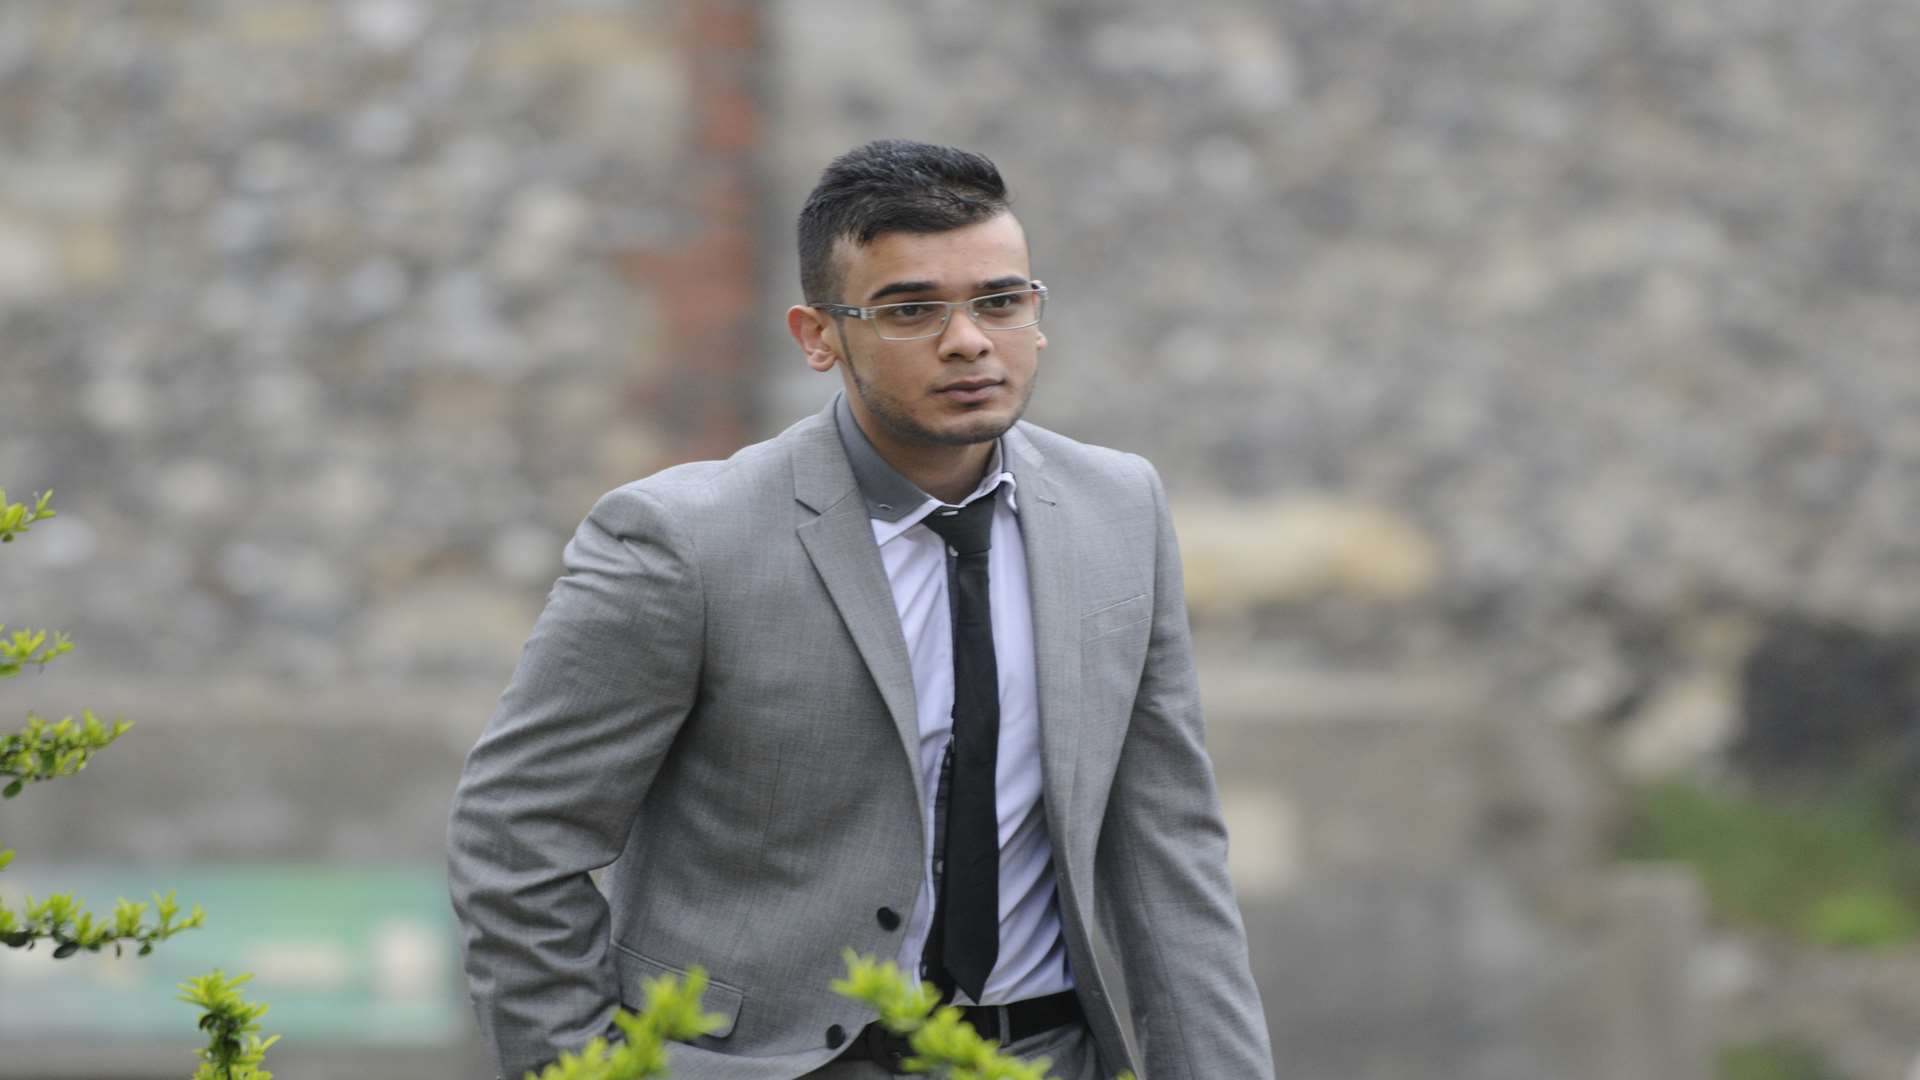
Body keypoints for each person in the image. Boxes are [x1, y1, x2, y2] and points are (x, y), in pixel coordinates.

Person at [447, 138, 1274, 1080]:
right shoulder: (682, 542)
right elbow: (515, 838)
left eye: (1000, 301)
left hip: (1050, 1056)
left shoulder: (1118, 509)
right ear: (816, 336)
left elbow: (1171, 848)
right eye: (911, 309)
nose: (967, 340)